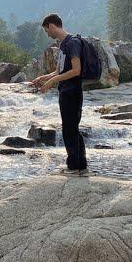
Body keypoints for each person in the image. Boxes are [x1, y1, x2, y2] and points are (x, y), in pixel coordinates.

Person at [29, 13, 88, 176]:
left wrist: (52, 81)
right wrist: (44, 78)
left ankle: (74, 167)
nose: (47, 34)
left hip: (73, 92)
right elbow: (59, 70)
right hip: (65, 92)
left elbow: (77, 70)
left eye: (47, 31)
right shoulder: (63, 45)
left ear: (52, 26)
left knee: (70, 129)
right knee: (71, 128)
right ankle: (81, 166)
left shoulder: (73, 43)